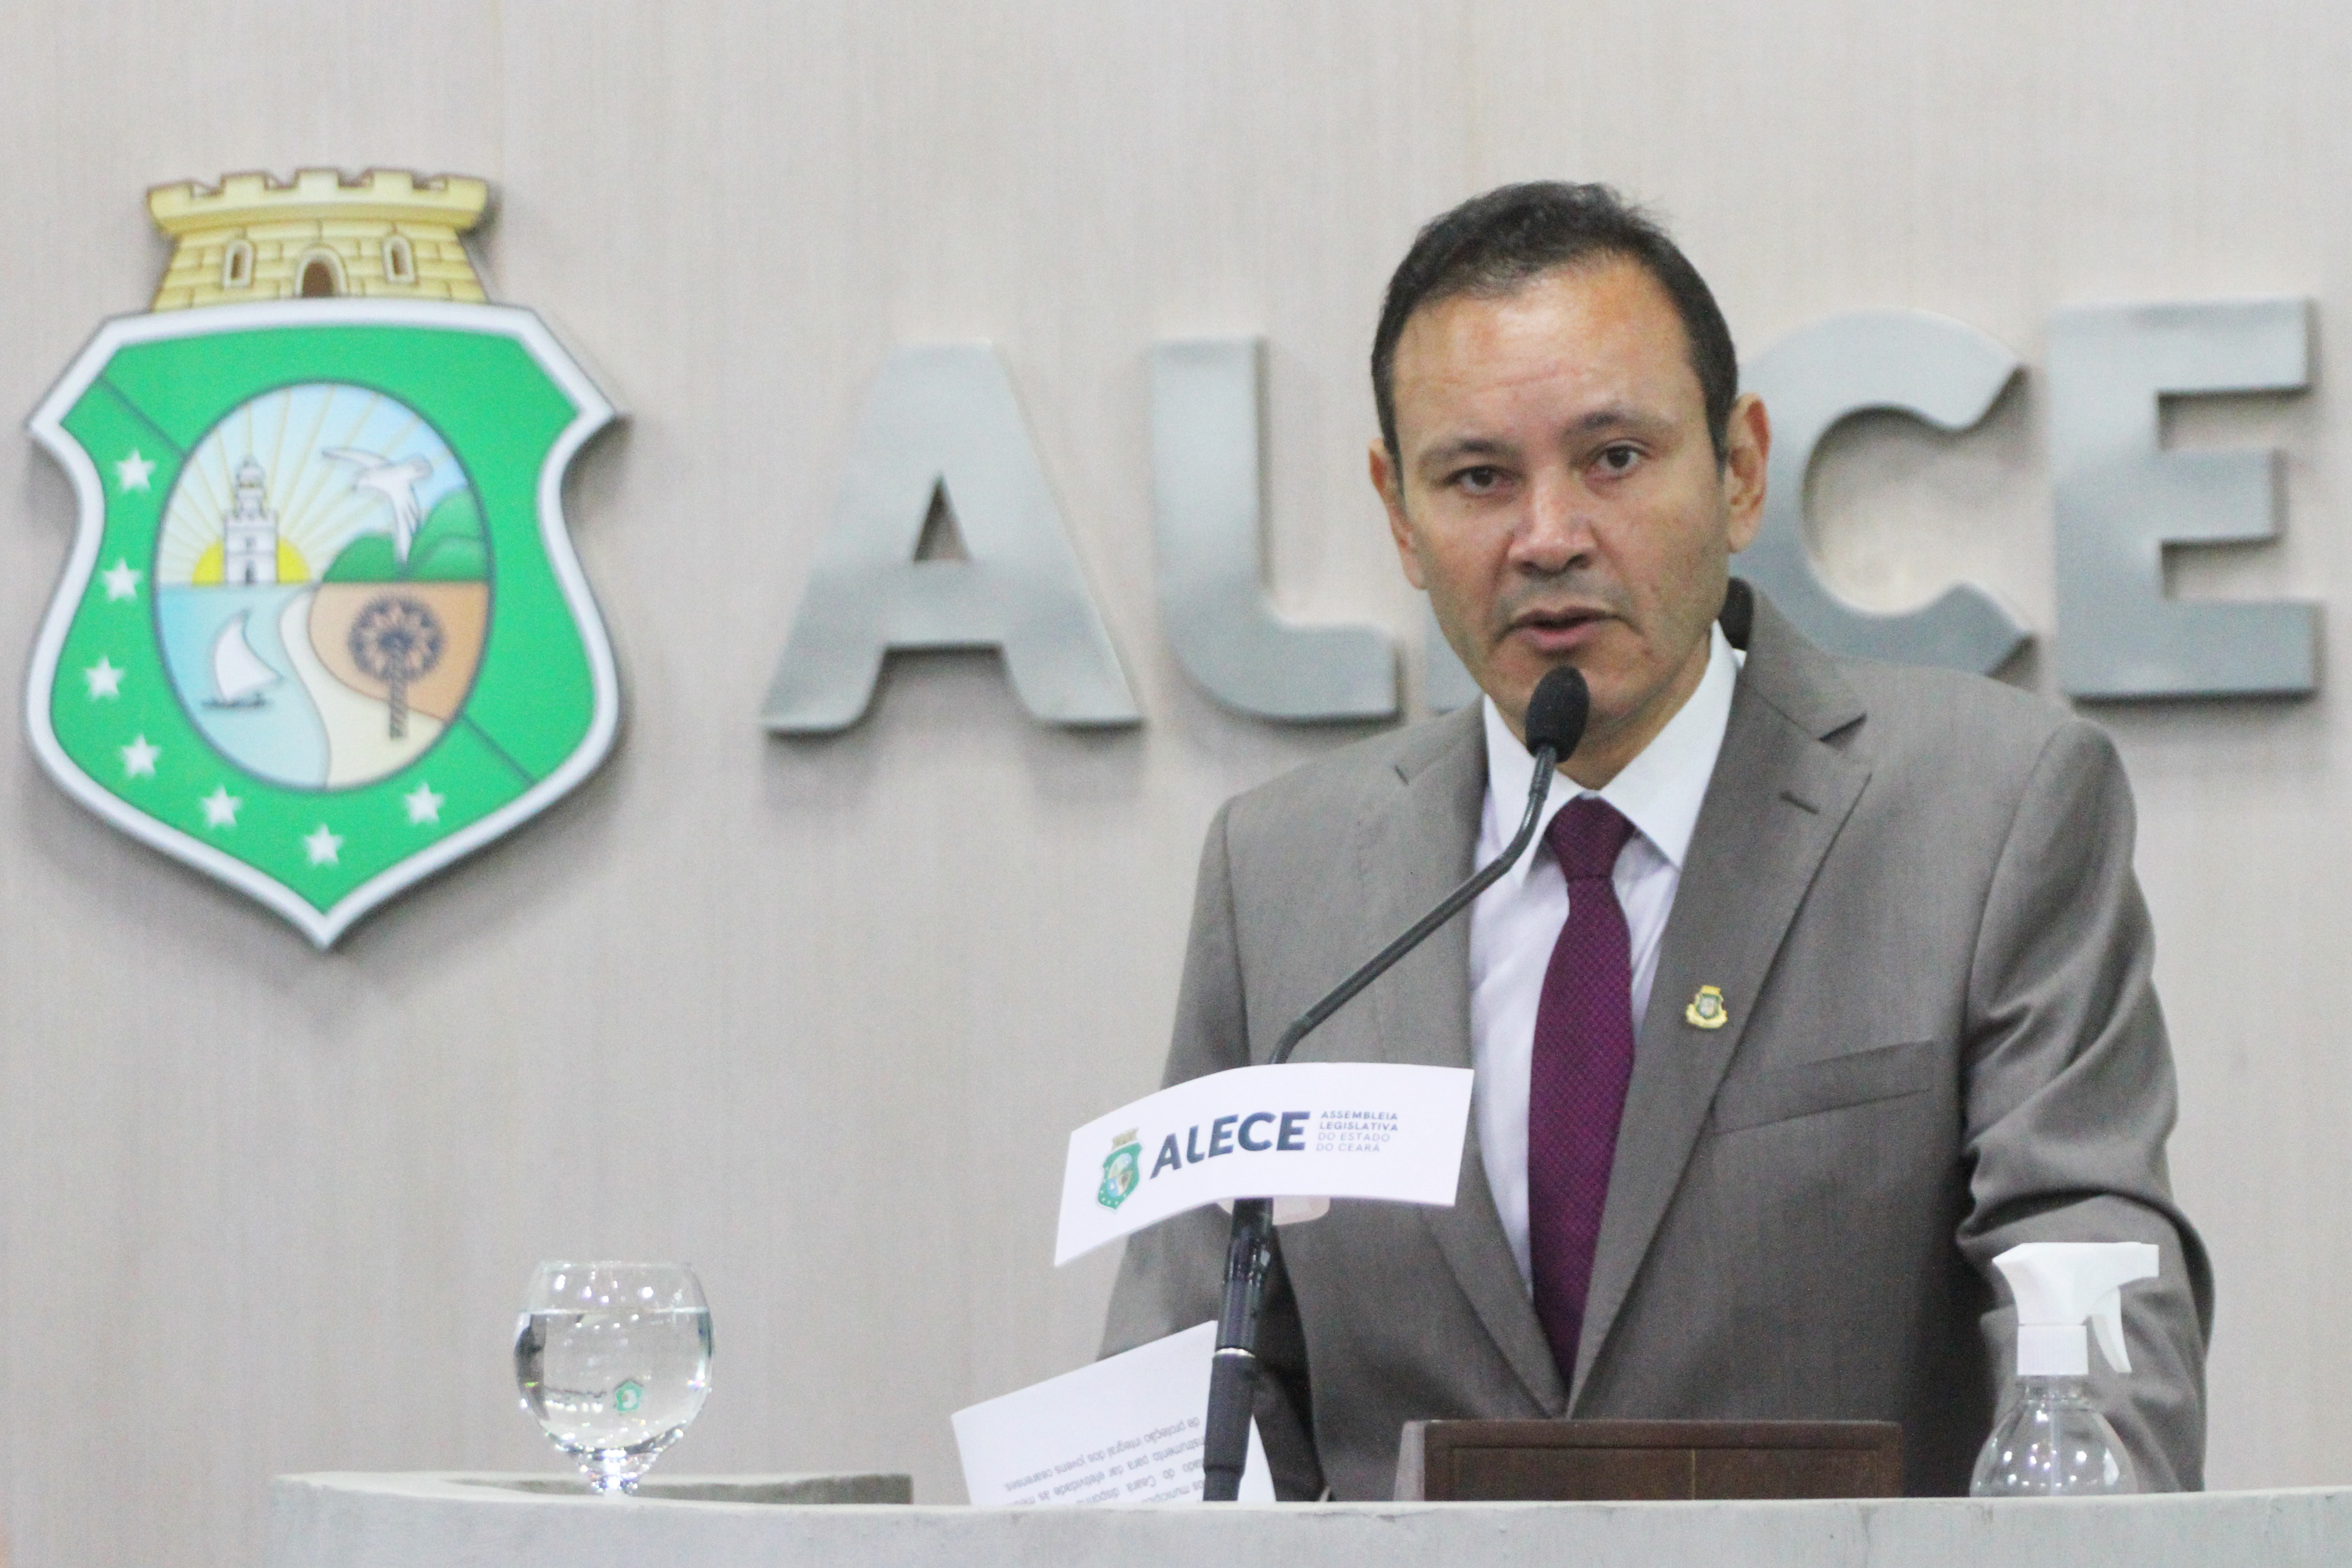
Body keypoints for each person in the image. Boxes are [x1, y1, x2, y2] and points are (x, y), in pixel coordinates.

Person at [1102, 182, 2210, 1499]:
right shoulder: (1282, 874)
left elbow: (2089, 1282)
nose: (1549, 538)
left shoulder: (1989, 811)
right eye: (1478, 478)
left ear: (1740, 470)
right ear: (1398, 512)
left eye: (1615, 459)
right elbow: (1195, 1374)